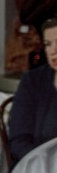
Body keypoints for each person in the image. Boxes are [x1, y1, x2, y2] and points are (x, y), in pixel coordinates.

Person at [7, 16, 57, 163]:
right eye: (48, 44)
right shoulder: (33, 80)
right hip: (37, 166)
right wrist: (44, 165)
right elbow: (18, 140)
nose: (53, 51)